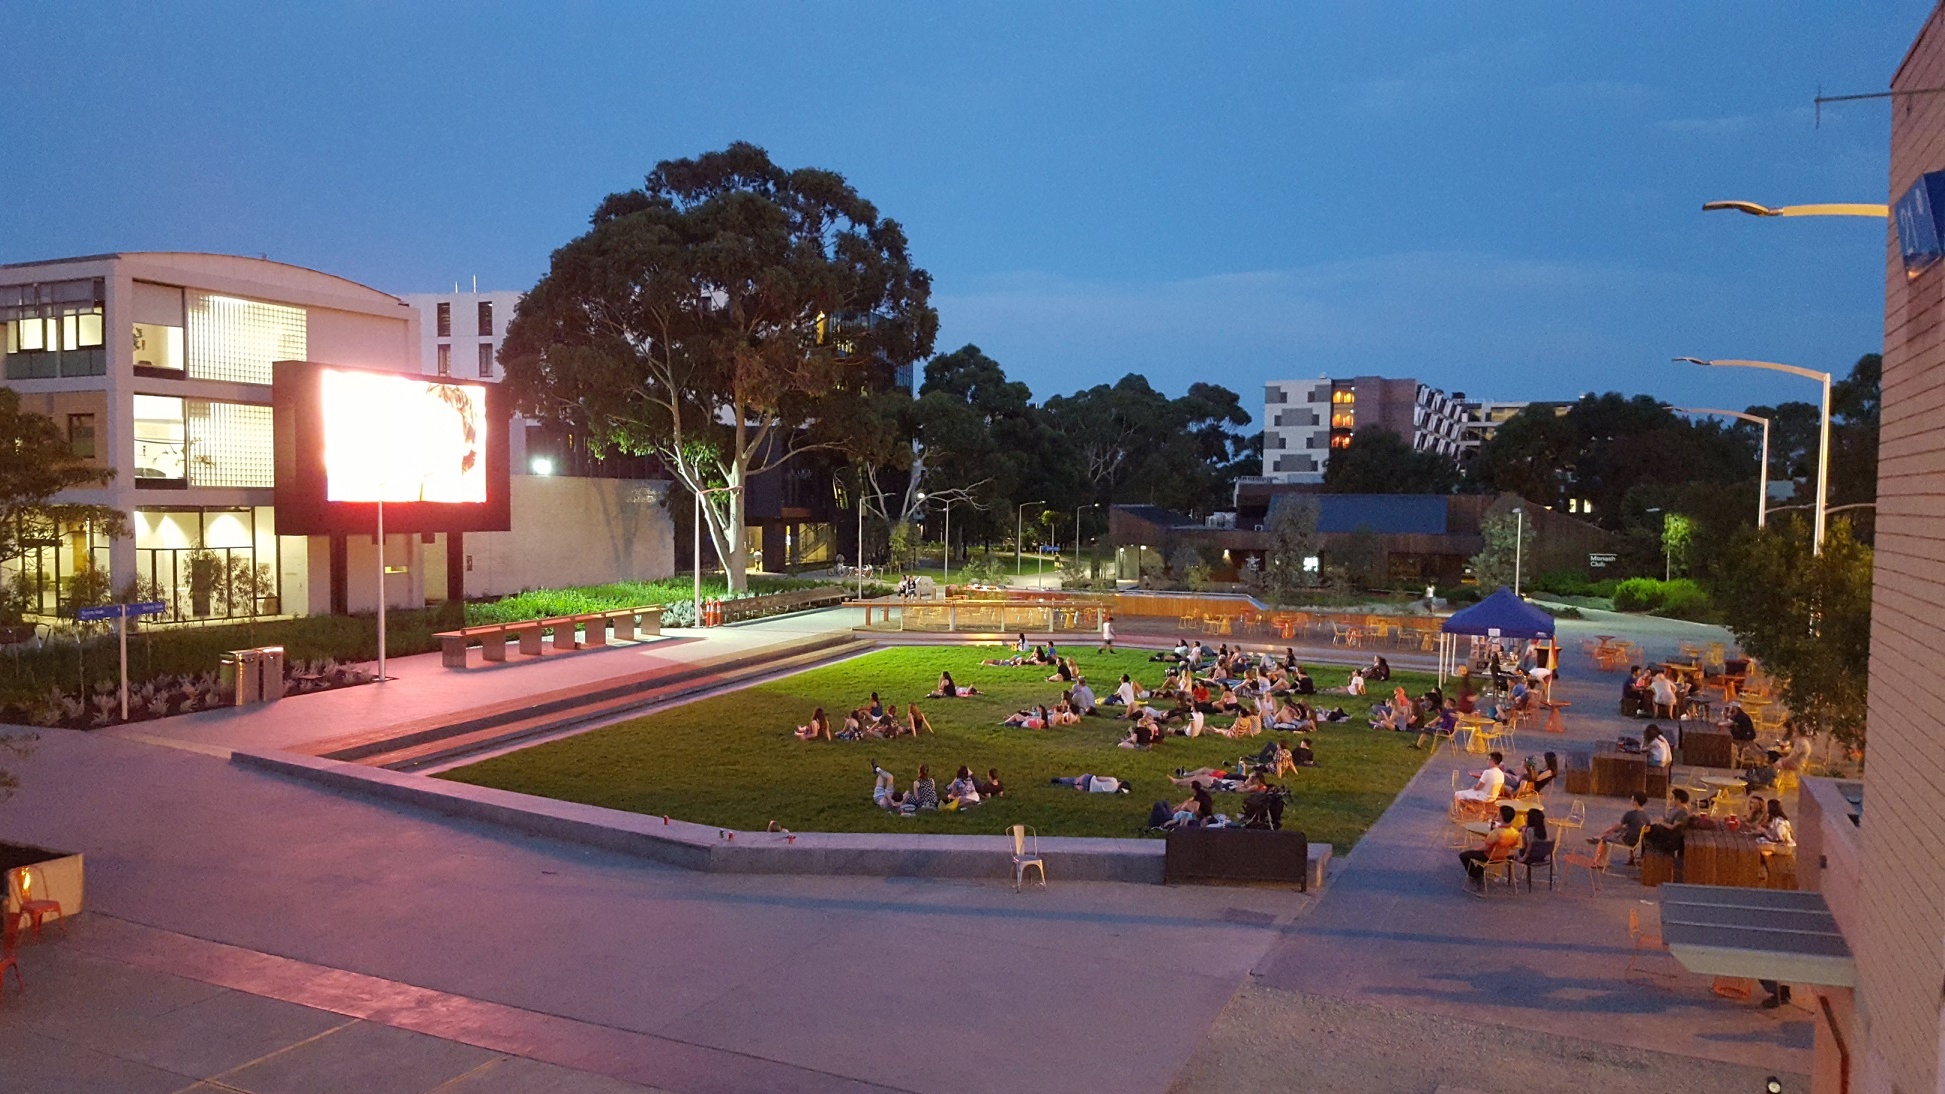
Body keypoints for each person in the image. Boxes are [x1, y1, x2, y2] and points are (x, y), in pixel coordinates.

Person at [1460, 804, 1522, 889]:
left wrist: (1475, 849)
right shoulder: (1515, 833)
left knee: (1464, 855)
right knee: (1477, 854)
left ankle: (1475, 875)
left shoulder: (1496, 833)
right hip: (1504, 856)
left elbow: (1485, 848)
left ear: (1501, 816)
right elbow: (1513, 845)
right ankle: (1478, 872)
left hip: (1490, 856)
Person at [1642, 789, 1693, 854]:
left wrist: (1661, 822)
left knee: (1646, 831)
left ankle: (1648, 853)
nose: (1672, 800)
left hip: (1670, 837)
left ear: (1678, 800)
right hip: (1665, 831)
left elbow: (1672, 827)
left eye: (1673, 798)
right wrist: (1662, 820)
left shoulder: (1683, 813)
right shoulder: (1676, 808)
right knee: (1645, 829)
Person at [1050, 773, 1129, 793]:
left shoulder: (1113, 780)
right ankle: (1076, 786)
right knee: (1075, 784)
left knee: (1074, 779)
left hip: (1089, 780)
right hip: (1088, 789)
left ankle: (1060, 780)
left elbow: (1099, 778)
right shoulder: (1113, 792)